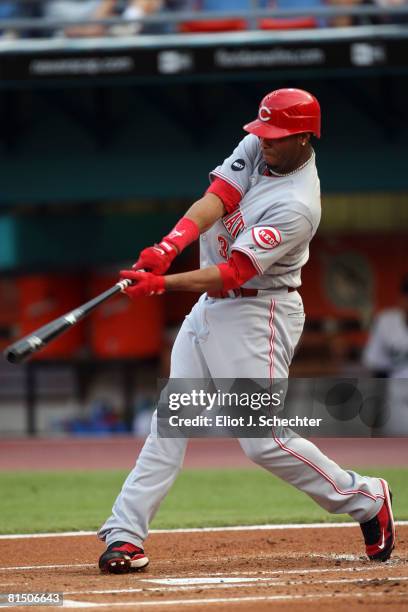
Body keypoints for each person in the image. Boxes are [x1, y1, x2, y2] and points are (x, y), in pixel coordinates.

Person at [98, 88, 395, 573]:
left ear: (303, 138)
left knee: (260, 440)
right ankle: (125, 534)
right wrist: (167, 246)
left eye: (277, 136)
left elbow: (234, 272)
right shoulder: (261, 144)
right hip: (210, 310)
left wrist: (160, 284)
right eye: (263, 132)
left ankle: (364, 496)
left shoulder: (299, 205)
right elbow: (218, 197)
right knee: (171, 424)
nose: (265, 143)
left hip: (260, 315)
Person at [362, 274, 408, 434]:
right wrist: (375, 414)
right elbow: (377, 372)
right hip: (396, 401)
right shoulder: (386, 322)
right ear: (401, 298)